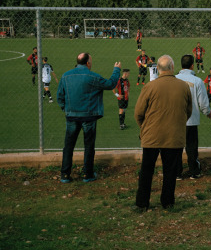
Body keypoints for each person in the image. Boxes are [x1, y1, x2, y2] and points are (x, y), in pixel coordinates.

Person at [134, 55, 192, 211]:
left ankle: (142, 202)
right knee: (170, 170)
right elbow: (188, 111)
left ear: (158, 69)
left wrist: (145, 128)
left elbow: (138, 113)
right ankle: (167, 201)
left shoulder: (150, 87)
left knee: (146, 170)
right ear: (172, 67)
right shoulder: (183, 86)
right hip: (174, 135)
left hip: (151, 136)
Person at [57, 53, 121, 183]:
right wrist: (116, 70)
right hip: (89, 116)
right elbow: (110, 84)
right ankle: (88, 174)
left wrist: (66, 109)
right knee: (89, 146)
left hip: (72, 116)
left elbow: (60, 96)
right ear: (87, 63)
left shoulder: (66, 75)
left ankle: (65, 174)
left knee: (68, 146)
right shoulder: (92, 76)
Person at [176, 54, 211, 179]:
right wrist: (208, 113)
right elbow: (203, 101)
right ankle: (194, 172)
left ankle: (177, 173)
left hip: (176, 121)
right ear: (192, 65)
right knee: (191, 147)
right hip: (191, 120)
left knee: (176, 148)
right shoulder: (197, 81)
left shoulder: (174, 79)